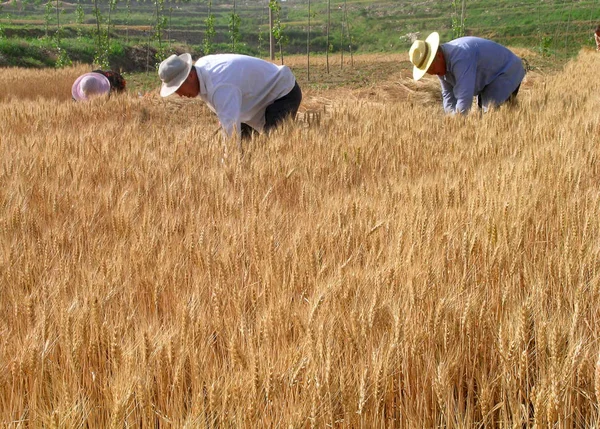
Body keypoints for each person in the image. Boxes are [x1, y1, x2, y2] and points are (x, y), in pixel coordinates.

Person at [158, 53, 302, 145]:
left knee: (274, 149)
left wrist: (228, 169)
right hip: (254, 100)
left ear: (190, 76)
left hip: (281, 93)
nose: (180, 95)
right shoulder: (202, 69)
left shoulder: (220, 86)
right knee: (249, 152)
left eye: (178, 88)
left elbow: (231, 134)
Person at [408, 32, 525, 114]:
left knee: (492, 118)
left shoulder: (461, 57)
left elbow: (465, 96)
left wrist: (457, 123)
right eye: (427, 71)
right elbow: (448, 95)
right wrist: (450, 119)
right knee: (486, 119)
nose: (432, 73)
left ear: (438, 55)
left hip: (506, 72)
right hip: (489, 80)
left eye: (431, 68)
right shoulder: (440, 66)